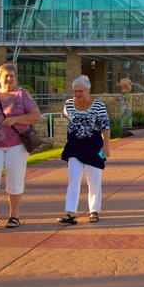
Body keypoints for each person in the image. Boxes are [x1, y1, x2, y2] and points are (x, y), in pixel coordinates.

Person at [0, 63, 41, 229]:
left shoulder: (22, 95)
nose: (9, 79)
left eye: (12, 76)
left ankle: (14, 215)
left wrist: (14, 119)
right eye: (6, 76)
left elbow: (36, 116)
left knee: (14, 179)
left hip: (17, 144)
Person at [57, 75, 110, 225]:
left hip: (94, 148)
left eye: (81, 91)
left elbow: (105, 126)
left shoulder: (98, 105)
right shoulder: (68, 104)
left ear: (88, 90)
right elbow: (68, 118)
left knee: (94, 181)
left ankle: (94, 211)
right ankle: (70, 212)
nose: (78, 94)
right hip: (74, 148)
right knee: (73, 179)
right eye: (75, 91)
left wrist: (106, 147)